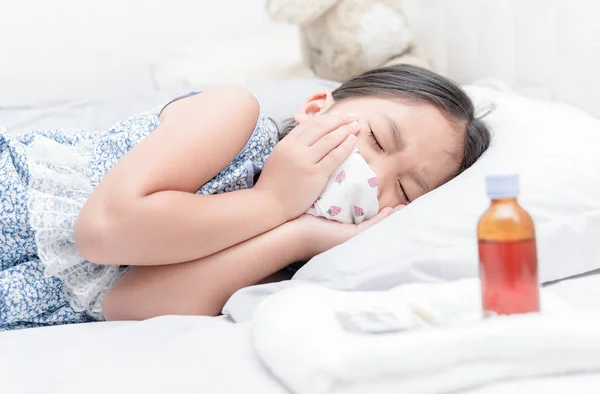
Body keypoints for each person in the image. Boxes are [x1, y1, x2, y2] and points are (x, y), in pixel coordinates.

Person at [0, 65, 490, 331]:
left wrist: (296, 235)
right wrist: (273, 200)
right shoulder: (236, 119)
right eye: (379, 141)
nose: (374, 173)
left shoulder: (285, 256)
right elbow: (102, 233)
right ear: (317, 108)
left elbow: (127, 306)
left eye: (404, 189)